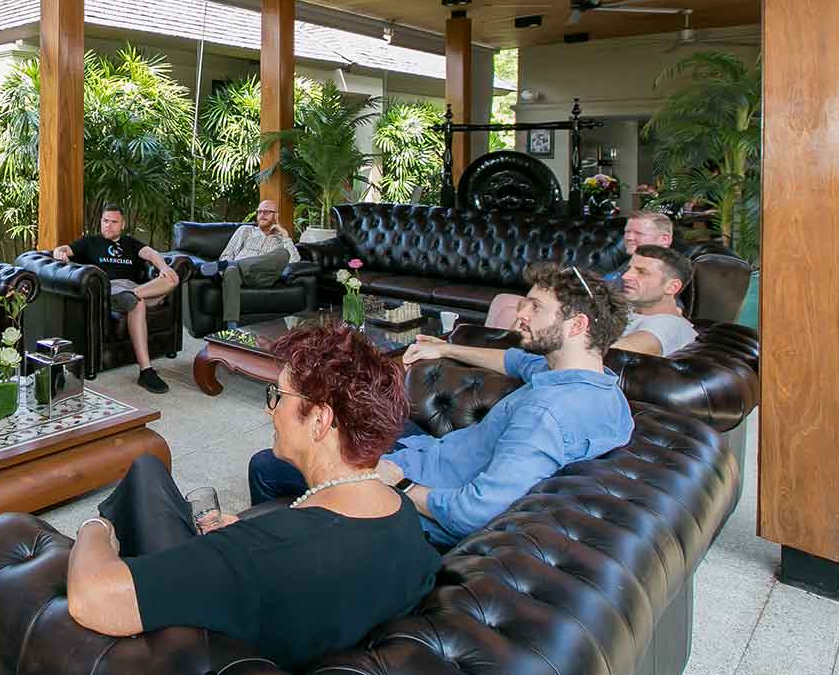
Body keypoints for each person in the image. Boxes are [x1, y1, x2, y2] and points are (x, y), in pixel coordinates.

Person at [64, 324, 439, 670]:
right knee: (148, 471)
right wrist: (250, 530)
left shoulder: (258, 551)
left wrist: (95, 527)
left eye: (277, 396)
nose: (268, 407)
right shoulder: (400, 511)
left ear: (320, 421)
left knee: (143, 475)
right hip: (274, 603)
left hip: (210, 647)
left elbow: (92, 598)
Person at [247, 263, 634, 548]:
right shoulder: (601, 389)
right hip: (436, 451)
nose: (521, 313)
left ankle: (290, 546)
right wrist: (446, 347)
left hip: (420, 487)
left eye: (535, 307)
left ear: (577, 325)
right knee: (364, 412)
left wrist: (398, 480)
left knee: (268, 464)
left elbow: (473, 513)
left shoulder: (545, 415)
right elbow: (515, 361)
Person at [52, 204, 180, 394]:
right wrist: (59, 253)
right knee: (137, 304)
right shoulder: (90, 242)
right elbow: (63, 249)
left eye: (114, 222)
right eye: (105, 221)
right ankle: (146, 371)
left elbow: (151, 254)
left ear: (122, 224)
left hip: (136, 288)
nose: (108, 226)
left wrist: (164, 268)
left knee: (172, 279)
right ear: (101, 221)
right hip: (111, 288)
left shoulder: (130, 243)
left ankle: (133, 296)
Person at [484, 210, 675, 329]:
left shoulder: (666, 270)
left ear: (664, 239)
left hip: (595, 316)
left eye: (638, 233)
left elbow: (659, 309)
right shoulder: (629, 261)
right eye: (627, 232)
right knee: (505, 300)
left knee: (511, 311)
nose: (629, 237)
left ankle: (505, 358)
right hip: (586, 305)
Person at [201, 199, 300, 329]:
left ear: (276, 216)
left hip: (264, 277)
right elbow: (226, 254)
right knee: (230, 269)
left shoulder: (281, 239)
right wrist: (229, 266)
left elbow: (295, 261)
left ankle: (231, 264)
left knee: (283, 253)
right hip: (238, 276)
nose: (262, 215)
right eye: (260, 212)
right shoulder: (245, 230)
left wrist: (285, 235)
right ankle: (231, 325)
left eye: (267, 212)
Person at [612, 245, 698, 356]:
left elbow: (614, 354)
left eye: (641, 272)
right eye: (629, 269)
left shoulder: (671, 326)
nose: (625, 276)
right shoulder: (630, 310)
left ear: (672, 287)